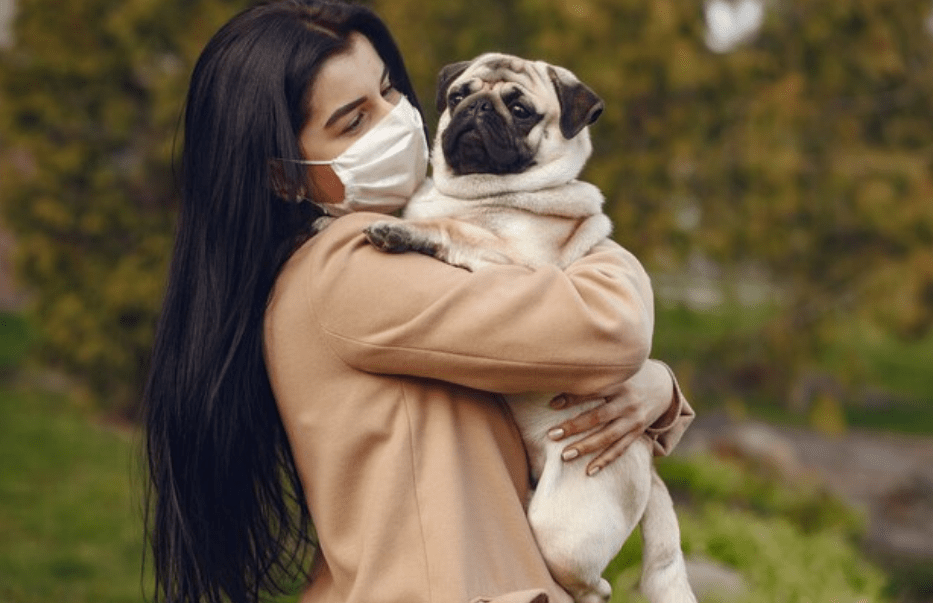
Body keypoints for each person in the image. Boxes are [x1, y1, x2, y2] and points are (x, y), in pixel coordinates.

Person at [142, 2, 694, 603]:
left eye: (388, 90)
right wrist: (575, 219)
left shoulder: (370, 263)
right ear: (284, 176)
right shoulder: (349, 267)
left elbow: (543, 360)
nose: (394, 120)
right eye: (354, 122)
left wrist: (655, 389)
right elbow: (607, 327)